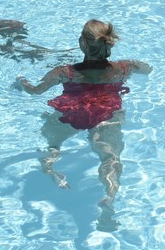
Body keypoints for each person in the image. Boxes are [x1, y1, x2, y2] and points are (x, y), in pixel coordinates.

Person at [14, 20, 151, 210]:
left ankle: (50, 169)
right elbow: (148, 70)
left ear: (82, 43)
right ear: (111, 44)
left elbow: (35, 90)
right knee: (110, 158)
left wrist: (21, 81)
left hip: (72, 114)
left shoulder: (65, 72)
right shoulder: (124, 68)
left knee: (53, 145)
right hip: (105, 114)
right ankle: (110, 195)